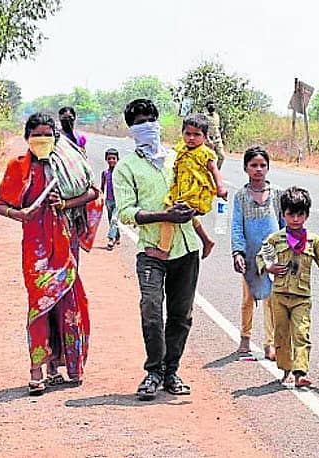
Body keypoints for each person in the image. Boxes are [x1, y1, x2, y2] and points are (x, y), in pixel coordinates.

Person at [0, 113, 101, 396]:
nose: (42, 139)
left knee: (68, 304)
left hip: (65, 245)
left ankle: (68, 365)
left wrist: (66, 203)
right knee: (39, 306)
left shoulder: (67, 162)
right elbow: (0, 204)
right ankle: (37, 369)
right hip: (36, 250)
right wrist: (20, 213)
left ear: (55, 136)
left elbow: (92, 192)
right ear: (28, 136)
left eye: (47, 134)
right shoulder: (18, 167)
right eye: (37, 134)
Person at [113, 98, 200, 401]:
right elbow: (125, 213)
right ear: (132, 129)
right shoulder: (126, 167)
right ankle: (153, 370)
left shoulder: (179, 158)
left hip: (186, 245)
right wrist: (165, 216)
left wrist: (192, 208)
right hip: (151, 250)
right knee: (151, 308)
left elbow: (199, 188)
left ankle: (171, 371)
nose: (146, 125)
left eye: (150, 119)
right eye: (139, 122)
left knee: (181, 314)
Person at [257, 187, 319, 388]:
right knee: (282, 334)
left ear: (307, 215)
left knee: (301, 333)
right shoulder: (275, 239)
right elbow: (261, 257)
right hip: (279, 296)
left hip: (301, 298)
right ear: (283, 214)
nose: (295, 219)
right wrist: (268, 267)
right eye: (291, 214)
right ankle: (286, 368)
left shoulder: (313, 240)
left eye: (300, 214)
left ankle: (300, 373)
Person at [231, 146, 283, 360]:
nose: (258, 169)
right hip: (250, 255)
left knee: (271, 300)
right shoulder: (241, 196)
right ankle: (245, 337)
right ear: (246, 168)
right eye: (254, 165)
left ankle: (269, 343)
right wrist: (238, 253)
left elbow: (282, 225)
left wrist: (284, 252)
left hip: (272, 255)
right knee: (248, 298)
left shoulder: (277, 194)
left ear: (268, 168)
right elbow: (236, 226)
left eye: (262, 165)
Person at [160, 113, 227, 258]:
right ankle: (206, 240)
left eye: (196, 135)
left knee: (169, 216)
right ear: (182, 133)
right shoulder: (180, 149)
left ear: (204, 137)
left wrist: (220, 187)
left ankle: (163, 250)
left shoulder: (205, 153)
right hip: (180, 190)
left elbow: (214, 170)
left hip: (196, 193)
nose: (191, 138)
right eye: (188, 134)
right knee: (185, 215)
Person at [100, 148, 121, 250]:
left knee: (114, 219)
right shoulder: (105, 173)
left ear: (117, 159)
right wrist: (100, 197)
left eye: (114, 158)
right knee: (111, 220)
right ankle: (117, 236)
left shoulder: (120, 173)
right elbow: (102, 187)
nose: (111, 160)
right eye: (109, 158)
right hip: (109, 201)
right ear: (106, 159)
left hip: (119, 201)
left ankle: (111, 239)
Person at [205, 101, 226, 170]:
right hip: (209, 140)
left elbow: (219, 127)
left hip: (217, 139)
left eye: (213, 105)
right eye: (210, 105)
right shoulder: (205, 117)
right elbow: (204, 130)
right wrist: (208, 140)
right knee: (209, 158)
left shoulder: (217, 116)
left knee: (221, 156)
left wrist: (223, 137)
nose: (212, 107)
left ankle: (216, 171)